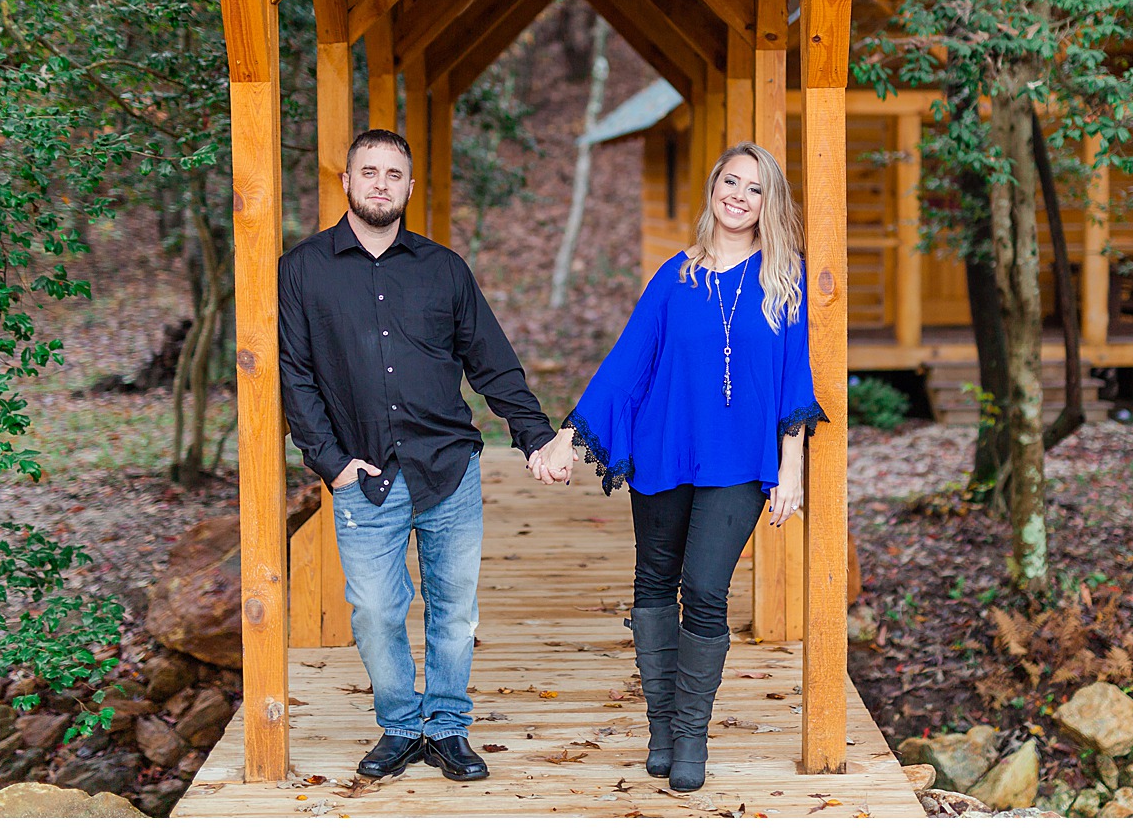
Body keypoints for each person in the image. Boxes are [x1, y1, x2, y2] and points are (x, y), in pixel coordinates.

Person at [534, 142, 825, 793]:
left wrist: (793, 465)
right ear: (714, 188)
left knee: (707, 586)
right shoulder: (676, 276)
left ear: (767, 203)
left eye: (754, 188)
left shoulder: (785, 276)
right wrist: (565, 438)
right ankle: (661, 727)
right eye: (731, 181)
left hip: (740, 457)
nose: (739, 196)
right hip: (667, 444)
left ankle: (692, 730)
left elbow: (793, 375)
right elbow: (626, 362)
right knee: (654, 581)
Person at [279, 129, 555, 782]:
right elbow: (294, 373)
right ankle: (402, 726)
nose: (381, 182)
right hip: (363, 472)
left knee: (454, 609)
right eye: (368, 171)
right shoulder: (303, 268)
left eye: (393, 173)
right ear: (345, 181)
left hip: (448, 465)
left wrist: (534, 434)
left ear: (407, 185)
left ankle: (449, 727)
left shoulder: (444, 269)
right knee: (376, 609)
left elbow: (493, 363)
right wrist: (333, 461)